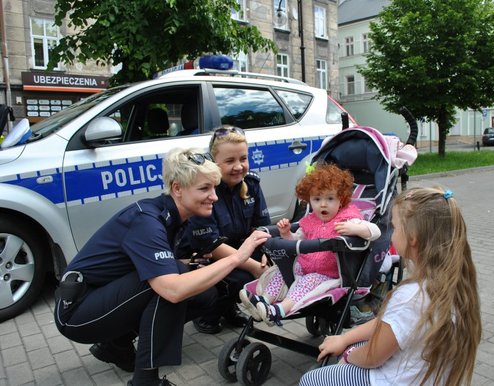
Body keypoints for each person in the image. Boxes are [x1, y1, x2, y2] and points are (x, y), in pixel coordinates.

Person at [53, 147, 270, 386]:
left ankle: (115, 345)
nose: (214, 197)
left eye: (213, 188)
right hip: (76, 314)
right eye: (204, 189)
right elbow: (172, 289)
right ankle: (146, 381)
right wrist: (238, 258)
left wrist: (189, 265)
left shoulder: (175, 216)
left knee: (204, 294)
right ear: (177, 188)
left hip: (104, 298)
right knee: (169, 286)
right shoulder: (146, 220)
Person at [298, 187, 482, 386]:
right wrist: (345, 339)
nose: (391, 234)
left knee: (311, 379)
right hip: (425, 376)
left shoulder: (411, 297)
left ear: (413, 238)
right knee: (354, 343)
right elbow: (386, 322)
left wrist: (348, 355)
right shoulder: (449, 284)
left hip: (391, 381)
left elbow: (372, 357)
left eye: (394, 227)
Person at [240, 163, 381, 326]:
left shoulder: (347, 219)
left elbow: (375, 231)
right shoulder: (309, 221)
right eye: (317, 199)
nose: (323, 204)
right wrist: (286, 233)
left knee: (306, 281)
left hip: (329, 274)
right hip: (304, 267)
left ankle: (279, 310)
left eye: (330, 198)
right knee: (282, 272)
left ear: (341, 199)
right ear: (309, 201)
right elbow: (295, 242)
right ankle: (263, 300)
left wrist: (356, 228)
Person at [176, 126, 271, 333]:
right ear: (213, 161)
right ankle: (208, 313)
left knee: (270, 263)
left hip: (237, 251)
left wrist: (265, 255)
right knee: (243, 277)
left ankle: (228, 309)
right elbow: (211, 244)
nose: (239, 167)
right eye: (230, 161)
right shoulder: (205, 190)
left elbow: (261, 227)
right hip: (204, 254)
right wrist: (254, 266)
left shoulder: (251, 184)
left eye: (243, 159)